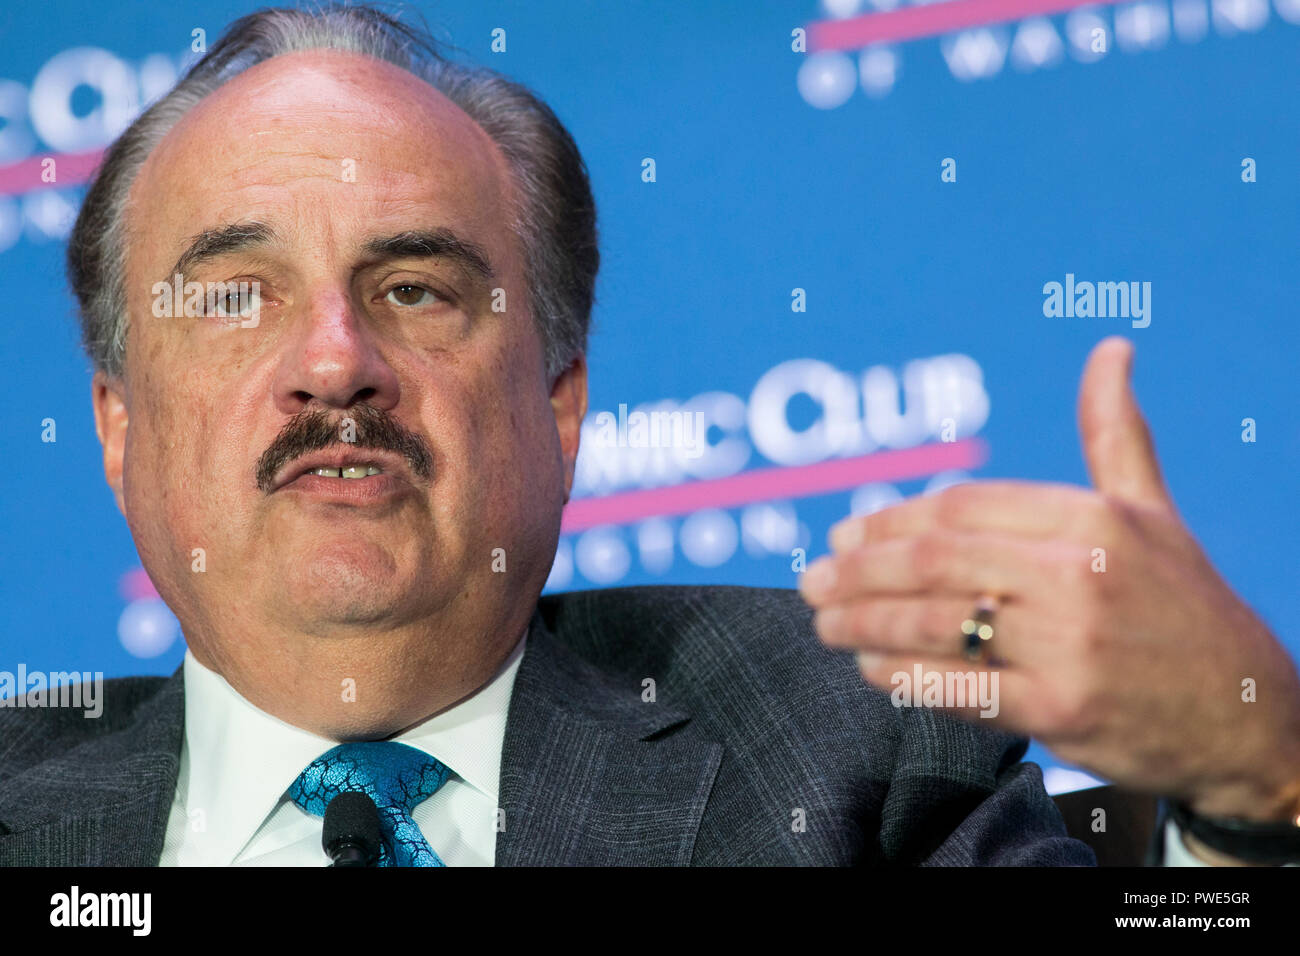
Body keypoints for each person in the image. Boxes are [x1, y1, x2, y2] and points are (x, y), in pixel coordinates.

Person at [1, 5, 1295, 867]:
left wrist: (1259, 791)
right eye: (238, 297)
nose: (337, 360)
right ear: (118, 425)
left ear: (558, 407)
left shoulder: (857, 752)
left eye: (416, 290)